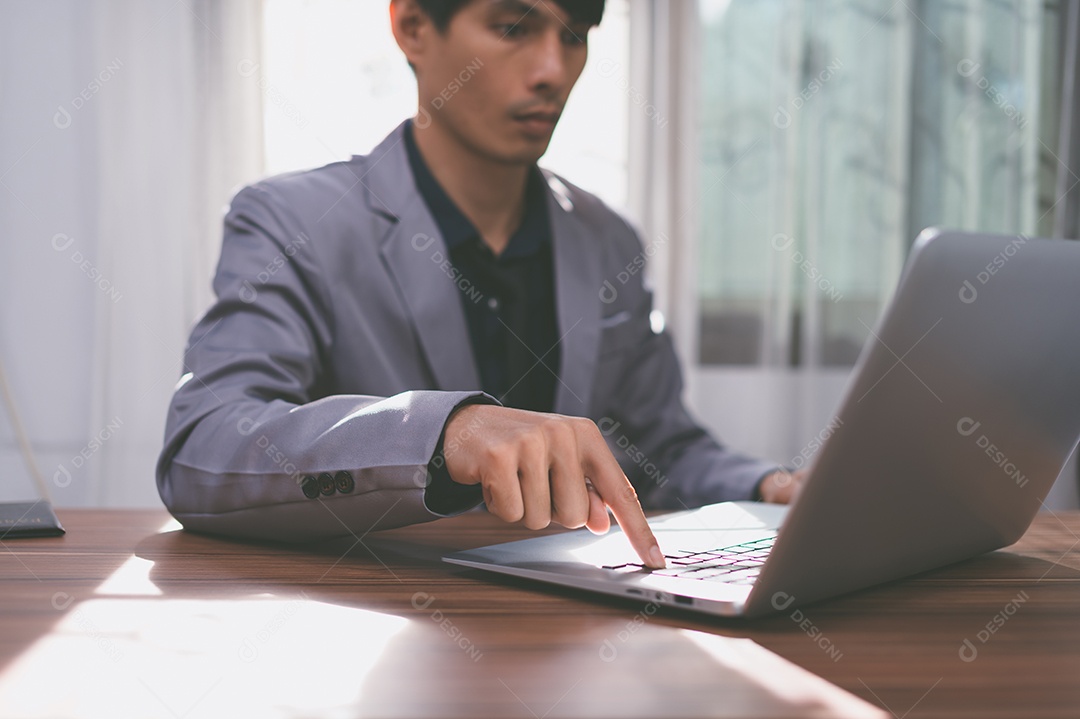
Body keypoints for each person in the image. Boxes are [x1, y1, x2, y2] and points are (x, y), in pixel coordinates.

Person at [156, 0, 803, 570]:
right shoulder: (292, 220)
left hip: (574, 636)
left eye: (574, 33)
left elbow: (661, 445)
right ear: (412, 26)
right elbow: (203, 447)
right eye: (513, 26)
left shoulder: (610, 242)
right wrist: (444, 433)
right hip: (371, 637)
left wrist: (766, 484)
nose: (552, 69)